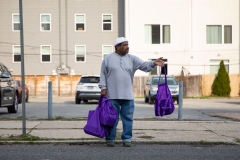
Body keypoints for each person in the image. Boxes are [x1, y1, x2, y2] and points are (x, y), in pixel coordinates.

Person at [99, 37, 164, 147]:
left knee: (128, 119)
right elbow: (102, 75)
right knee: (111, 118)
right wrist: (103, 88)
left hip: (127, 96)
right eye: (124, 45)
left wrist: (153, 63)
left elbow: (144, 66)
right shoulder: (108, 59)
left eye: (127, 44)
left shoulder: (132, 59)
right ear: (117, 47)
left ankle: (127, 139)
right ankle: (110, 138)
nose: (127, 47)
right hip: (111, 95)